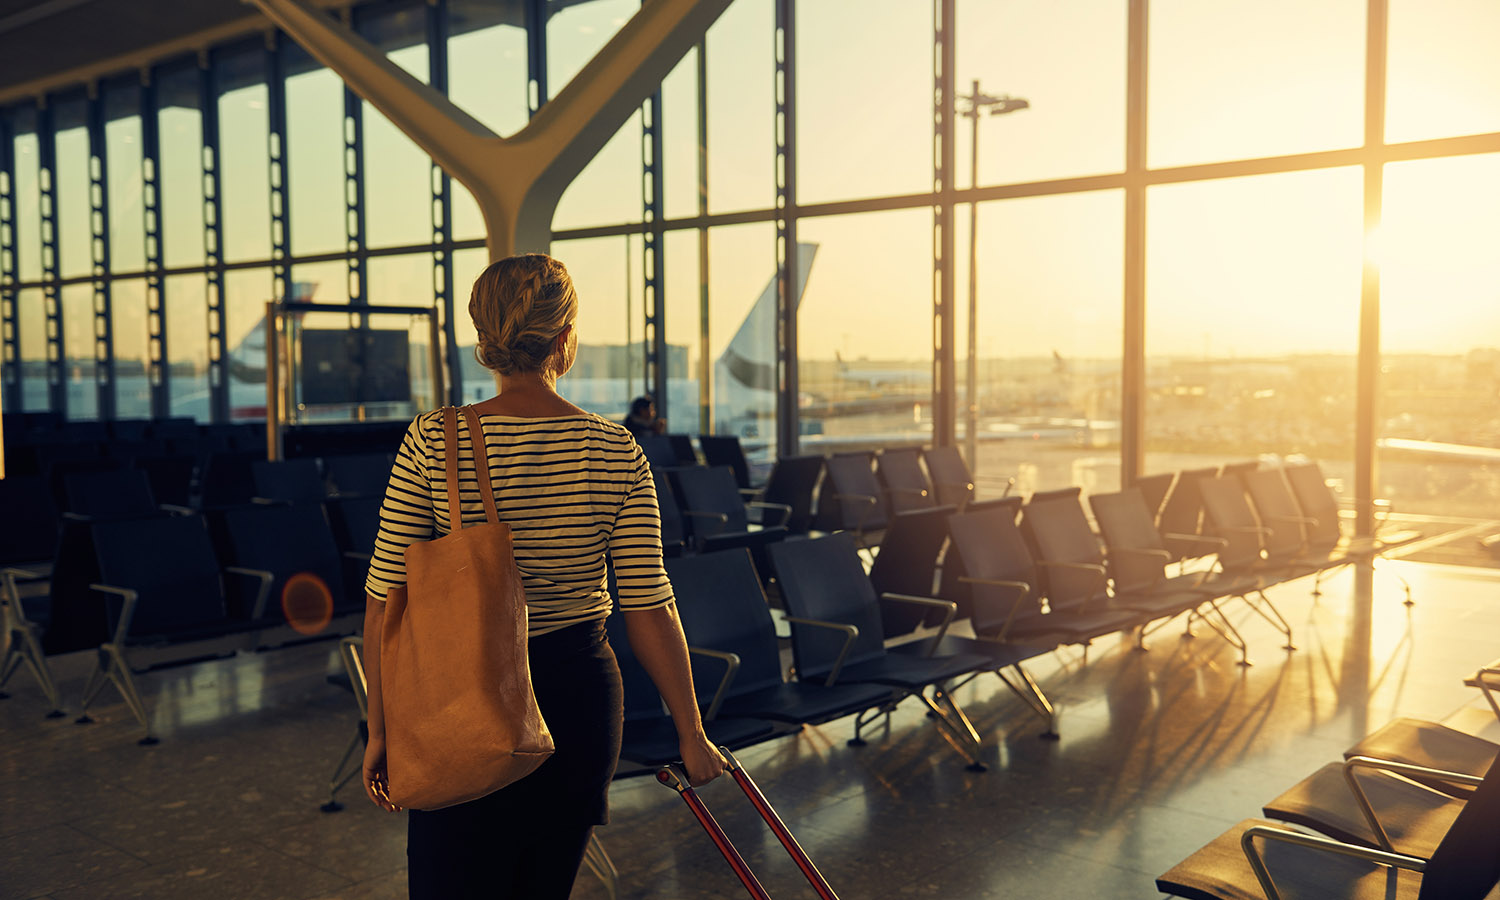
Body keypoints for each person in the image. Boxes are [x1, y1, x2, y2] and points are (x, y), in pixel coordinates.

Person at [361, 253, 726, 899]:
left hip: (456, 693)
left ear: (484, 339)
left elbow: (387, 600)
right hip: (575, 696)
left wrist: (383, 728)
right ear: (565, 338)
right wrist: (690, 731)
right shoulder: (615, 448)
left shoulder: (432, 439)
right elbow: (648, 605)